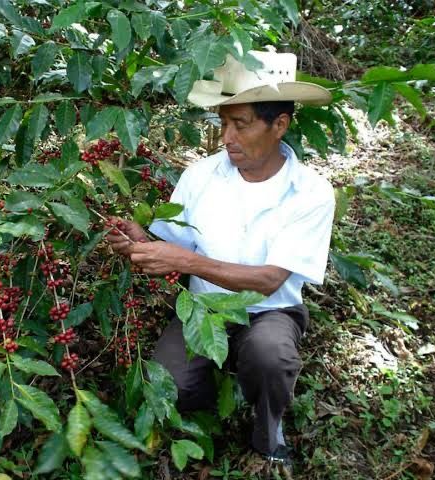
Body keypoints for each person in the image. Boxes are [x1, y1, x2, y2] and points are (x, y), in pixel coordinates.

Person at [107, 49, 336, 470]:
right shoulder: (201, 175)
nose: (226, 137)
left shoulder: (311, 192)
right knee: (171, 382)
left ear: (279, 124)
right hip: (204, 307)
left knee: (271, 355)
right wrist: (141, 242)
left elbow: (269, 280)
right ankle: (219, 381)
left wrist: (188, 263)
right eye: (224, 123)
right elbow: (176, 245)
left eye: (241, 124)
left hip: (271, 311)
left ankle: (268, 429)